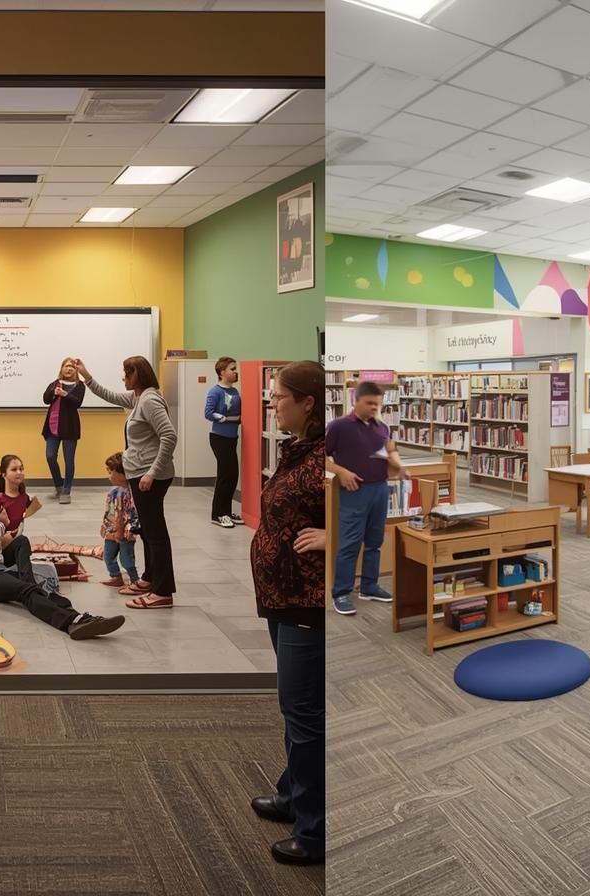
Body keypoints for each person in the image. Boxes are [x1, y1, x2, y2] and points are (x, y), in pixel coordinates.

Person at [249, 360, 326, 867]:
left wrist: (334, 534)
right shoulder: (297, 448)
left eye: (278, 396)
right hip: (282, 598)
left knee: (303, 713)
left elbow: (380, 508)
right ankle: (293, 796)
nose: (271, 402)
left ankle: (314, 833)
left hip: (305, 602)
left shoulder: (330, 456)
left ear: (307, 402)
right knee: (295, 708)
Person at [0, 477, 125, 639]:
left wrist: (7, 528)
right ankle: (70, 623)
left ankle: (79, 616)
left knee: (22, 543)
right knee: (27, 592)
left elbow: (1, 545)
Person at [74, 356, 179, 610]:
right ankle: (149, 578)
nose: (123, 378)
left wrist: (151, 473)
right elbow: (109, 395)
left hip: (149, 476)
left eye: (126, 373)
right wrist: (86, 376)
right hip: (141, 474)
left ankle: (162, 591)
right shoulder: (138, 398)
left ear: (137, 375)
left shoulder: (150, 400)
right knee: (148, 532)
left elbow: (169, 435)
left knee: (156, 534)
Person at [325, 381, 402, 616]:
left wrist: (397, 465)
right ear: (355, 400)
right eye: (369, 403)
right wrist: (341, 471)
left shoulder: (382, 427)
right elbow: (320, 456)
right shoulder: (339, 426)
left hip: (380, 489)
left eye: (377, 404)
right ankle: (341, 593)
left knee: (375, 542)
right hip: (355, 491)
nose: (374, 408)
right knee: (349, 544)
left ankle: (369, 586)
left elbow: (389, 451)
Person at [40, 358, 85, 504]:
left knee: (69, 460)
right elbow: (46, 399)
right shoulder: (55, 383)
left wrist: (65, 394)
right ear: (62, 368)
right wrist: (53, 392)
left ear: (76, 370)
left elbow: (77, 402)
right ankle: (58, 485)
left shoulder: (79, 386)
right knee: (50, 456)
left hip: (69, 427)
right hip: (52, 426)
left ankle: (66, 491)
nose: (69, 368)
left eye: (72, 366)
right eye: (66, 366)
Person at [205, 356, 243, 528]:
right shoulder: (215, 392)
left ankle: (227, 511)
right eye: (232, 369)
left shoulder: (235, 392)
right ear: (222, 372)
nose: (235, 372)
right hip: (219, 438)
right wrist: (222, 418)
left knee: (232, 475)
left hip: (232, 438)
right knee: (224, 476)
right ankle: (218, 514)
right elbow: (208, 413)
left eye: (235, 369)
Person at [99, 452, 139, 588]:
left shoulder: (127, 493)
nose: (109, 476)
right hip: (111, 530)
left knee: (126, 558)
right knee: (108, 555)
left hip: (124, 532)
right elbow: (109, 510)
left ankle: (135, 580)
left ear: (123, 474)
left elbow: (124, 513)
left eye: (111, 472)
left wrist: (121, 531)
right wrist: (104, 525)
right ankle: (115, 576)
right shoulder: (113, 491)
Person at [0, 454, 42, 537]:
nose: (19, 472)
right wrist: (2, 522)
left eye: (21, 469)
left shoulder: (25, 498)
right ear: (4, 474)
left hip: (16, 538)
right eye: (14, 469)